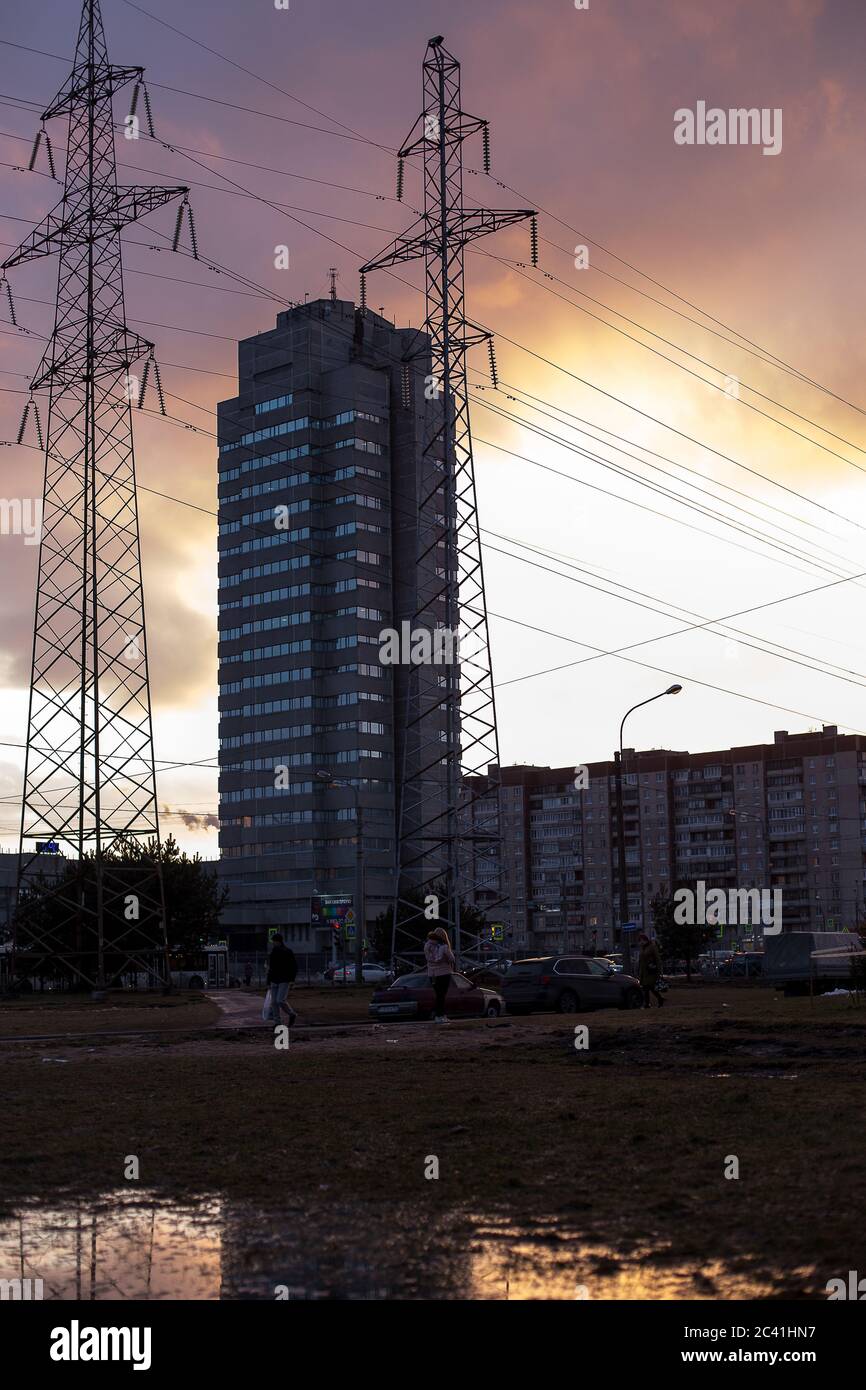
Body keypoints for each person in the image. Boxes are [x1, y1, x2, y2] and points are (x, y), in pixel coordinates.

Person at [424, 926, 455, 1023]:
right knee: (442, 995)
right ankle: (440, 1015)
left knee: (438, 995)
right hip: (444, 973)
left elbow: (429, 959)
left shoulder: (427, 945)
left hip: (432, 974)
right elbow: (452, 959)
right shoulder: (444, 946)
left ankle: (439, 1014)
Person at [266, 934, 298, 1028]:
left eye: (274, 941)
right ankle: (277, 1023)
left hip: (284, 979)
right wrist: (268, 981)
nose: (273, 943)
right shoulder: (273, 952)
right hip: (274, 979)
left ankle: (292, 1014)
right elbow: (271, 968)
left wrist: (292, 980)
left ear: (278, 941)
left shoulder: (287, 952)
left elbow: (293, 966)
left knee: (280, 1000)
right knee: (274, 1002)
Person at [637, 931, 664, 1008]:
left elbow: (657, 959)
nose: (641, 942)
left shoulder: (652, 946)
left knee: (650, 987)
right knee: (646, 988)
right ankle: (649, 1003)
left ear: (645, 940)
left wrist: (659, 970)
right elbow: (640, 960)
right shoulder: (642, 948)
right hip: (644, 972)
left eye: (642, 940)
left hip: (651, 971)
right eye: (639, 941)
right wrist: (638, 970)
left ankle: (657, 1000)